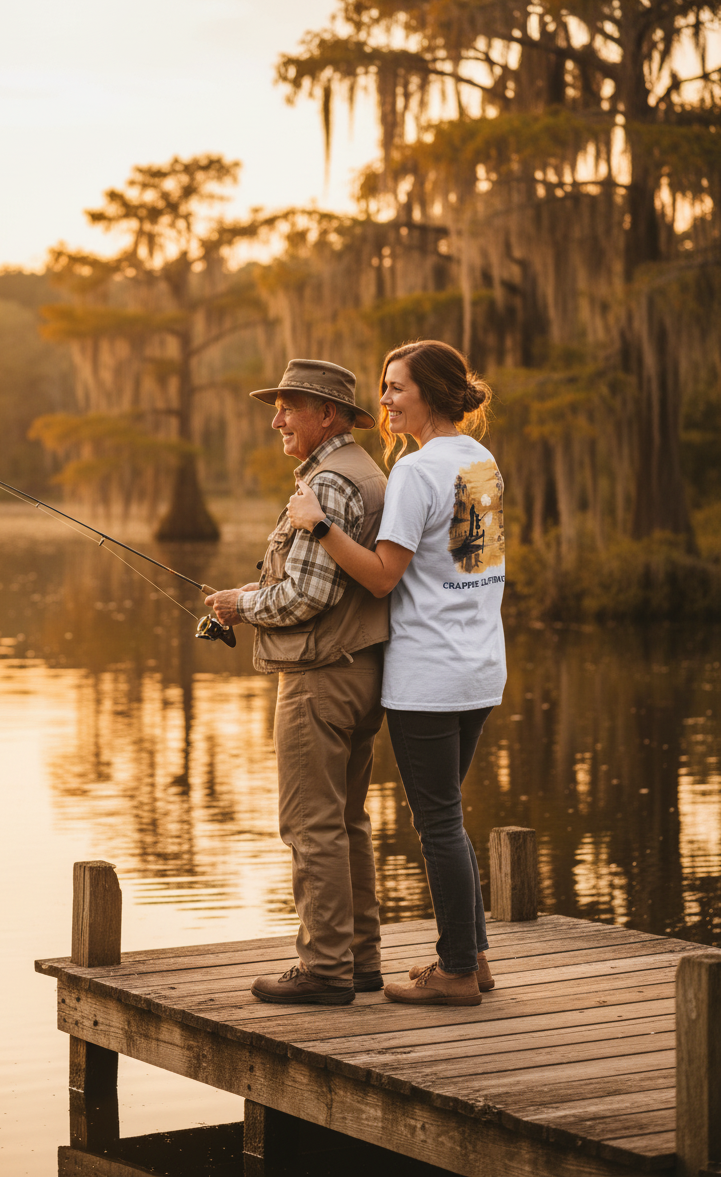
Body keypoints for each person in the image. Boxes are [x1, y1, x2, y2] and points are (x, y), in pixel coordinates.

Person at [287, 340, 505, 1007]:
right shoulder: (480, 461)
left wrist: (319, 525)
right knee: (450, 818)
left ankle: (457, 972)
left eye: (395, 388)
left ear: (431, 394)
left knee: (437, 824)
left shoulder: (416, 471)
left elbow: (382, 578)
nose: (383, 401)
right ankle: (476, 961)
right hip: (480, 668)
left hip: (428, 675)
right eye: (384, 387)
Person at [205, 358, 390, 1005]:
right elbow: (324, 583)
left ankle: (325, 969)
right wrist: (253, 592)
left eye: (290, 405)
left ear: (328, 415)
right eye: (276, 405)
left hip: (319, 677)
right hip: (356, 668)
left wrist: (239, 605)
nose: (277, 418)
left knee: (311, 825)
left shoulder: (332, 480)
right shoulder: (358, 470)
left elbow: (307, 596)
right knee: (345, 821)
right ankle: (359, 960)